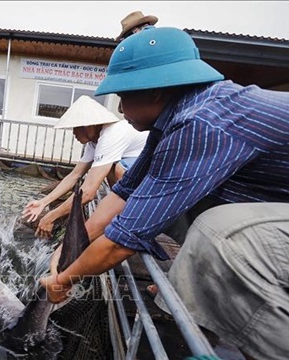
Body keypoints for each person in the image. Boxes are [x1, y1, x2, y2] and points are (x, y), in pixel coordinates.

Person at [40, 27, 289, 360]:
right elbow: (124, 194)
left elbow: (120, 241)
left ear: (155, 91)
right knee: (183, 205)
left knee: (221, 234)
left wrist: (64, 280)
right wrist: (66, 251)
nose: (120, 107)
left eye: (124, 95)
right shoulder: (173, 123)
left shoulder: (200, 122)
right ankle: (196, 284)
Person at [22, 95, 148, 239]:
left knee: (116, 169)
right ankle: (123, 213)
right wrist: (43, 203)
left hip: (151, 170)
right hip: (138, 168)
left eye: (76, 128)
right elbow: (75, 175)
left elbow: (88, 193)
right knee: (111, 169)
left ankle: (131, 219)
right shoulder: (95, 142)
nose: (74, 133)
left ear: (89, 125)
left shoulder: (112, 134)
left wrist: (51, 216)